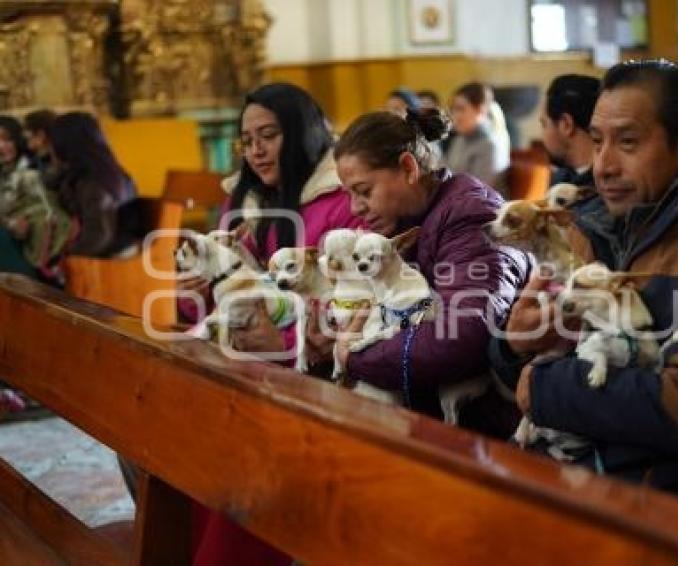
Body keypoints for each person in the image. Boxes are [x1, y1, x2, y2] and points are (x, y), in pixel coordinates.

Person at [489, 59, 678, 509]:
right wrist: (514, 346)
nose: (602, 166)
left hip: (645, 506)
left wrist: (542, 384)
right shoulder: (589, 225)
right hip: (555, 476)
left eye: (627, 142)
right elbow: (514, 366)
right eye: (597, 142)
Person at [185, 82, 364, 566]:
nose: (256, 150)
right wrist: (201, 288)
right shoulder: (244, 201)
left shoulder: (340, 201)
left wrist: (282, 343)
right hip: (245, 365)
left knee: (244, 468)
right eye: (247, 139)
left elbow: (348, 303)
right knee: (177, 443)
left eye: (269, 135)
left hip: (313, 376)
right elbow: (222, 300)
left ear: (301, 134)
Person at [312, 107, 530, 433]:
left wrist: (354, 356)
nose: (355, 208)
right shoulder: (399, 225)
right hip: (431, 414)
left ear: (408, 168)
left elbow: (462, 336)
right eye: (350, 195)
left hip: (484, 425)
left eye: (364, 191)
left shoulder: (471, 215)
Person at [49, 112, 142, 258]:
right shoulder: (103, 172)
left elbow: (99, 236)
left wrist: (66, 257)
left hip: (112, 261)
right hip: (112, 252)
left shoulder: (95, 182)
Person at [0, 115, 71, 279]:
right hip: (13, 239)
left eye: (7, 140)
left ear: (18, 140)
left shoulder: (37, 167)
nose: (1, 147)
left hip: (42, 246)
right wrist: (11, 224)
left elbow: (51, 206)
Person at [444, 82, 510, 193]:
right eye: (453, 109)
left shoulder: (490, 144)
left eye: (461, 109)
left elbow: (480, 191)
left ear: (480, 110)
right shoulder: (460, 139)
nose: (454, 115)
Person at [540, 74, 600, 188]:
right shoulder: (561, 178)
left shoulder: (610, 188)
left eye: (544, 124)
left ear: (566, 124)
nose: (541, 135)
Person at [22, 109, 57, 175]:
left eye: (26, 129)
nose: (24, 134)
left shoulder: (54, 164)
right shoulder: (35, 158)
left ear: (40, 134)